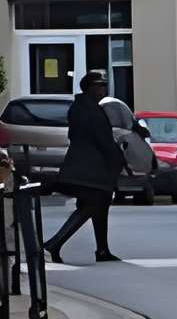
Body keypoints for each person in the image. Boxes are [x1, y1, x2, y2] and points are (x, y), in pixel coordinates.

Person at [45, 71, 128, 264]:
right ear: (89, 88)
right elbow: (103, 140)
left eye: (104, 85)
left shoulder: (83, 107)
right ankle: (52, 245)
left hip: (87, 166)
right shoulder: (89, 110)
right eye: (99, 85)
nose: (103, 89)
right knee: (91, 205)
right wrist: (119, 159)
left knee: (100, 205)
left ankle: (102, 250)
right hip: (89, 169)